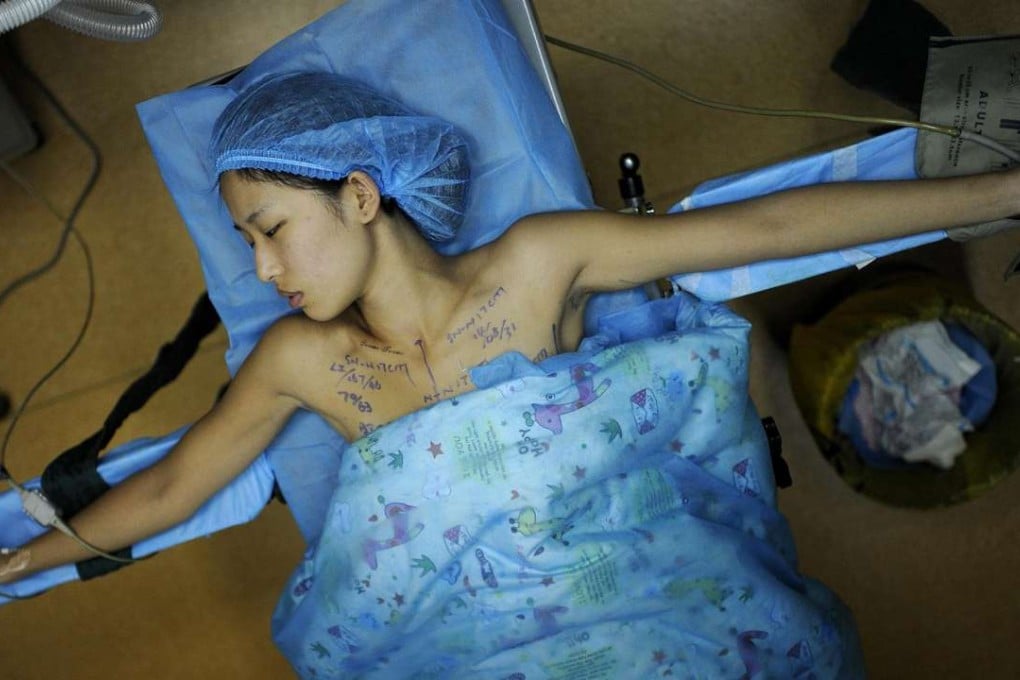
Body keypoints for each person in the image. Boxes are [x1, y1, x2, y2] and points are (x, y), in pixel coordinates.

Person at [1, 70, 1018, 586]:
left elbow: (763, 229)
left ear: (360, 193)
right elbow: (174, 486)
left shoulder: (536, 264)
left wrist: (1000, 192)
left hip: (626, 585)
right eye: (249, 244)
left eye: (270, 230)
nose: (261, 270)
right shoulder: (298, 360)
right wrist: (24, 563)